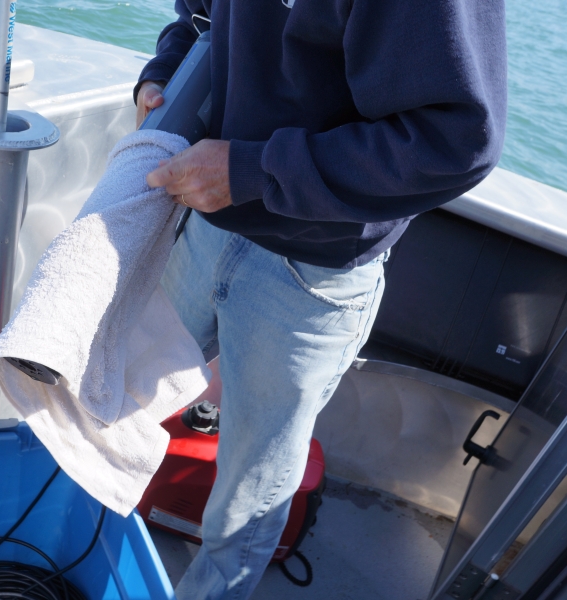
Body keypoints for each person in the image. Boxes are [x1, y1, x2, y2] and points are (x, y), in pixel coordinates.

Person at [135, 0, 507, 597]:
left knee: (250, 486)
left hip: (313, 271)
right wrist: (164, 73)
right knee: (126, 393)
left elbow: (456, 140)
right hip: (204, 225)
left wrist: (254, 170)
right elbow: (201, 18)